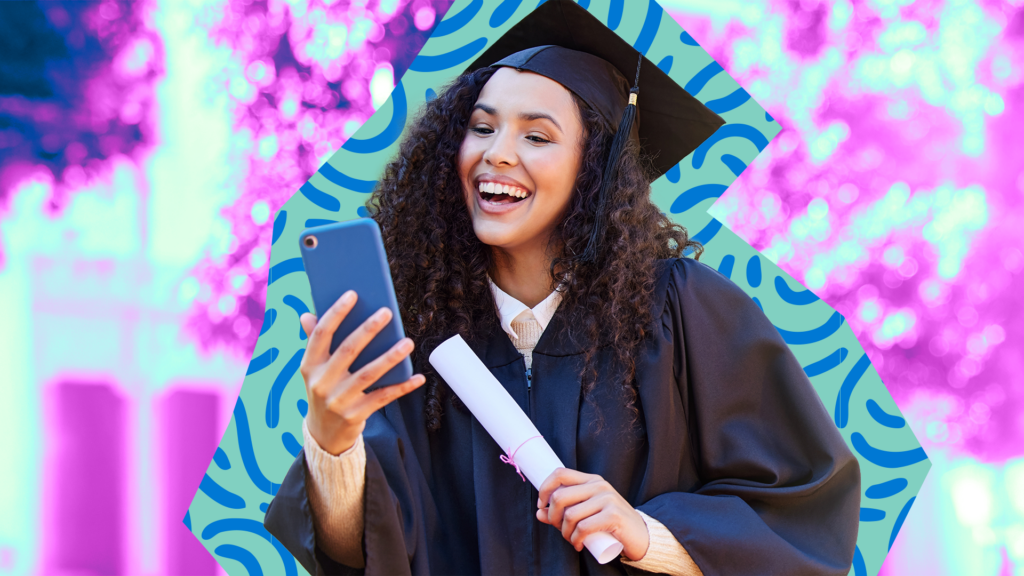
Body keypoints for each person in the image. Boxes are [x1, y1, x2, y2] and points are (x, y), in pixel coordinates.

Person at [264, 2, 861, 575]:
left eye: (538, 136)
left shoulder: (682, 310)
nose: (497, 154)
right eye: (481, 127)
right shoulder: (416, 336)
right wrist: (333, 438)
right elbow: (363, 551)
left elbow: (800, 515)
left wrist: (645, 534)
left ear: (592, 166)